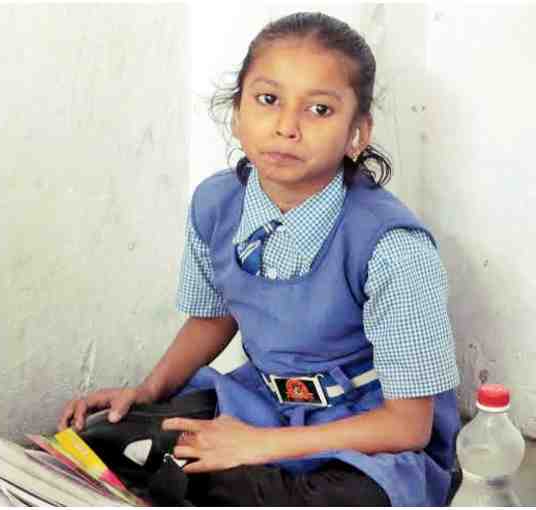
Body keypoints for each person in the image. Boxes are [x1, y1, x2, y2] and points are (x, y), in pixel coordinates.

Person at [59, 11, 461, 506]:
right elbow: (214, 317)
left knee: (335, 497)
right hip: (266, 401)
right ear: (237, 113)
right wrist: (148, 390)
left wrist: (259, 445)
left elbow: (408, 425)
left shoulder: (392, 246)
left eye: (319, 110)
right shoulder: (215, 204)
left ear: (358, 133)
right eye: (268, 100)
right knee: (102, 440)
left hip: (367, 430)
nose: (286, 127)